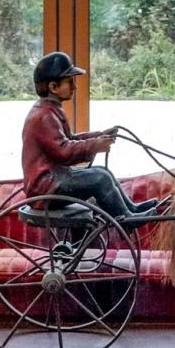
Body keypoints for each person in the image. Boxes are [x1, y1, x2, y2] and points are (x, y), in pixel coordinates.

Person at [21, 52, 163, 224]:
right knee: (100, 178)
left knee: (103, 172)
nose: (74, 86)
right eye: (69, 82)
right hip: (45, 188)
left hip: (53, 179)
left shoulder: (49, 109)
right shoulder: (44, 116)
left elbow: (69, 139)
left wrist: (99, 135)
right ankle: (125, 220)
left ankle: (130, 210)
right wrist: (95, 145)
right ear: (53, 87)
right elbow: (63, 151)